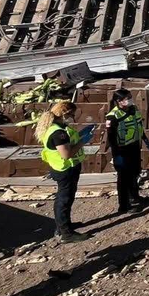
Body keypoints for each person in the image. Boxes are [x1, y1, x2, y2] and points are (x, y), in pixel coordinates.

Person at [37, 100, 90, 242]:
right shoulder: (58, 133)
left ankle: (63, 226)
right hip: (65, 169)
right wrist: (82, 142)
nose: (72, 118)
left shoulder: (56, 127)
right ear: (64, 114)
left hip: (61, 168)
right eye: (71, 115)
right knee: (64, 200)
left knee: (64, 198)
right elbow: (66, 154)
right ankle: (66, 233)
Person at [105, 89, 149, 215]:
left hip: (134, 146)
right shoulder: (113, 116)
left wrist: (145, 139)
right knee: (123, 178)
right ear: (118, 101)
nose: (129, 100)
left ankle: (135, 197)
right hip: (121, 150)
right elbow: (111, 137)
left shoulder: (133, 109)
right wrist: (116, 154)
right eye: (127, 98)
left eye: (130, 97)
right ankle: (124, 206)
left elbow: (138, 126)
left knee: (135, 172)